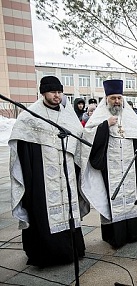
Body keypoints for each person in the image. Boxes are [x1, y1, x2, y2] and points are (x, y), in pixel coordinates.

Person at [9, 76, 86, 267]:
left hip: (66, 174)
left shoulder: (68, 116)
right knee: (43, 213)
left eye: (59, 92)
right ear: (43, 92)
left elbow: (79, 143)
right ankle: (46, 255)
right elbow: (22, 147)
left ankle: (71, 250)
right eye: (53, 92)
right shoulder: (30, 116)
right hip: (42, 175)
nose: (57, 96)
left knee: (68, 210)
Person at [81, 79, 137, 248]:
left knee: (134, 196)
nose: (116, 101)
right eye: (113, 98)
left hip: (131, 167)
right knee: (113, 199)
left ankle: (135, 232)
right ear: (106, 99)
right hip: (110, 169)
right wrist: (104, 125)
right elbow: (87, 138)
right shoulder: (99, 117)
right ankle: (115, 236)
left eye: (119, 98)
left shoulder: (130, 116)